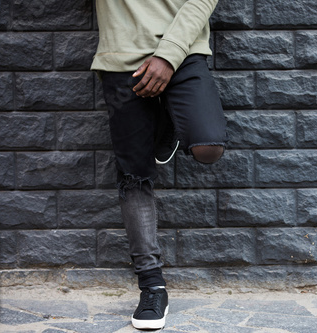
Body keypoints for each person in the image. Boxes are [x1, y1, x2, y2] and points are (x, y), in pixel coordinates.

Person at [90, 0, 227, 330]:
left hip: (183, 52)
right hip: (121, 59)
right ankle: (152, 287)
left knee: (209, 148)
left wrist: (168, 53)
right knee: (134, 176)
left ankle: (166, 123)